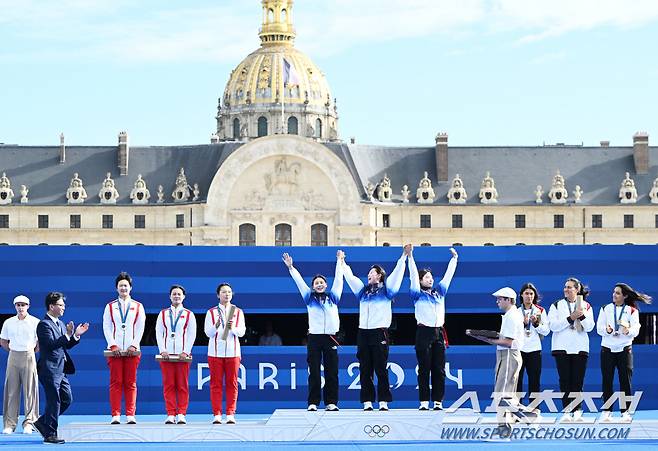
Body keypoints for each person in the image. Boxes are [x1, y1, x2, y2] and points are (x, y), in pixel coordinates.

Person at [342, 245, 408, 411]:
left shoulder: (387, 291)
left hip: (380, 332)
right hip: (363, 333)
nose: (369, 275)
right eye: (368, 273)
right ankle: (367, 401)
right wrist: (342, 262)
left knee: (380, 367)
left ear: (379, 275)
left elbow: (397, 275)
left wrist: (403, 257)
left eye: (372, 272)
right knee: (365, 369)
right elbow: (350, 278)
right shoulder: (362, 292)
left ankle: (384, 401)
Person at [283, 250, 344, 412]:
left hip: (331, 338)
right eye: (316, 283)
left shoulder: (334, 297)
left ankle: (331, 402)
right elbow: (299, 282)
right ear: (313, 286)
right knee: (314, 372)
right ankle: (313, 402)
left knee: (332, 372)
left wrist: (339, 261)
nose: (319, 284)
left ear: (326, 285)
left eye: (321, 282)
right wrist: (291, 268)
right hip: (315, 339)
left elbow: (339, 279)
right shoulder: (308, 298)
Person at [32, 292, 89, 444]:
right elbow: (50, 345)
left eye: (63, 305)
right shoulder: (43, 324)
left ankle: (41, 423)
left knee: (66, 399)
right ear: (52, 306)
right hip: (49, 369)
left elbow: (65, 345)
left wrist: (75, 335)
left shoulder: (61, 324)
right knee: (54, 401)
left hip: (61, 369)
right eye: (61, 305)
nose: (64, 308)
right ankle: (50, 434)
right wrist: (68, 335)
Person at [407, 246, 458, 411]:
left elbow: (448, 276)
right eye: (426, 278)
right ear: (421, 281)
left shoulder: (440, 292)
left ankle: (438, 401)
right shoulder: (416, 294)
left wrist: (454, 259)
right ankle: (423, 402)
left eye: (431, 277)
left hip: (438, 333)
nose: (430, 279)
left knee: (439, 368)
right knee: (424, 368)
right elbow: (413, 276)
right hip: (423, 333)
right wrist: (410, 257)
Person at [468, 287, 525, 430]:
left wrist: (489, 340)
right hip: (506, 356)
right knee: (506, 394)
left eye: (500, 298)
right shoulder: (510, 315)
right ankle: (514, 421)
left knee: (502, 395)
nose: (497, 301)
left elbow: (508, 342)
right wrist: (483, 337)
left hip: (509, 355)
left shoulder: (512, 316)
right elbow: (503, 338)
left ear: (509, 300)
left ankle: (507, 426)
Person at [597, 283, 651, 422]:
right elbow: (599, 328)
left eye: (618, 293)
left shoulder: (632, 311)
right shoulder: (605, 308)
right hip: (607, 349)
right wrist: (607, 330)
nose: (614, 295)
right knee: (607, 381)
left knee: (625, 381)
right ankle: (607, 411)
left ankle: (625, 411)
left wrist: (629, 331)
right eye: (614, 292)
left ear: (625, 296)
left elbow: (636, 329)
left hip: (624, 350)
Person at [548, 277, 595, 422]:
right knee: (565, 380)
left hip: (580, 347)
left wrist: (580, 317)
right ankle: (567, 411)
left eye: (569, 287)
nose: (566, 289)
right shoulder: (556, 305)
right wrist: (570, 318)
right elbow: (553, 326)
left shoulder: (586, 306)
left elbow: (590, 327)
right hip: (561, 347)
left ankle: (578, 410)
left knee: (578, 380)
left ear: (577, 289)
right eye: (565, 287)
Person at [102, 272, 146, 424]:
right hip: (114, 351)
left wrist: (134, 344)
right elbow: (106, 327)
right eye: (120, 285)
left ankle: (130, 415)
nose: (123, 288)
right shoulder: (110, 307)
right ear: (116, 288)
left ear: (131, 288)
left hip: (132, 350)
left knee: (131, 382)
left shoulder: (138, 306)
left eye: (126, 285)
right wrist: (112, 344)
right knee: (116, 382)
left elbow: (141, 327)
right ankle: (115, 415)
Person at [204, 282, 246, 424]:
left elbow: (242, 332)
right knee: (215, 384)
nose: (227, 294)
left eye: (229, 292)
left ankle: (230, 413)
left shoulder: (238, 311)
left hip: (233, 352)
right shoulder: (211, 312)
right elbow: (207, 333)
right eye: (223, 292)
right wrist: (216, 326)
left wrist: (232, 327)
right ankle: (217, 414)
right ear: (218, 295)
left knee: (232, 383)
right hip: (215, 353)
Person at [155, 285, 197, 425]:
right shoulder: (163, 314)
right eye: (174, 294)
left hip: (182, 355)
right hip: (166, 355)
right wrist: (162, 350)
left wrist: (186, 351)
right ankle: (171, 413)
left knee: (182, 385)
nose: (176, 296)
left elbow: (192, 334)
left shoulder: (189, 314)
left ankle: (181, 414)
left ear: (183, 296)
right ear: (170, 296)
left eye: (179, 294)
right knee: (169, 385)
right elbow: (159, 333)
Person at [1, 295, 40, 434]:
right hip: (13, 355)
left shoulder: (35, 322)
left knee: (30, 391)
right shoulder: (8, 322)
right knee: (11, 391)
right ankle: (9, 424)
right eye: (18, 305)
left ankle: (30, 422)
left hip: (29, 355)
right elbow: (3, 341)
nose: (20, 307)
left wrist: (30, 351)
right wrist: (14, 351)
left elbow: (39, 342)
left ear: (28, 306)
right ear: (15, 306)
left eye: (23, 305)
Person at [516, 283, 550, 409]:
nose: (529, 296)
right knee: (517, 381)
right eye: (526, 293)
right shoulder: (516, 311)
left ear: (534, 295)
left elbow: (546, 331)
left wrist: (535, 324)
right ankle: (517, 409)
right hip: (519, 350)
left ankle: (534, 409)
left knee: (534, 381)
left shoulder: (540, 311)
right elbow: (512, 331)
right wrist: (523, 324)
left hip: (535, 350)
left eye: (531, 293)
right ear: (521, 295)